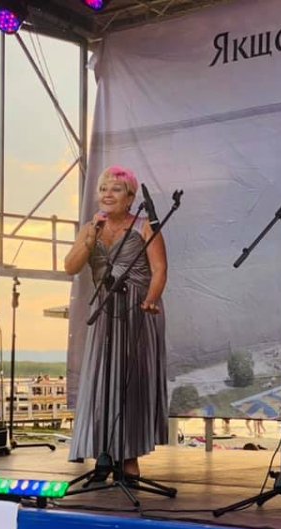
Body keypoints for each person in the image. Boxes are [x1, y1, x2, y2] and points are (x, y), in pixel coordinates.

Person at [64, 166, 168, 478]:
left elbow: (160, 269)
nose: (107, 194)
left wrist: (151, 299)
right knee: (101, 380)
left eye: (116, 189)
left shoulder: (144, 226)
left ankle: (129, 456)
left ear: (130, 197)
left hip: (137, 309)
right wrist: (90, 237)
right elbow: (70, 266)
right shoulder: (90, 227)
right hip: (105, 308)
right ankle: (103, 452)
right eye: (103, 189)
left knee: (129, 383)